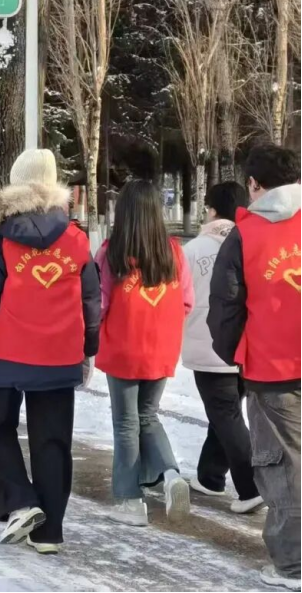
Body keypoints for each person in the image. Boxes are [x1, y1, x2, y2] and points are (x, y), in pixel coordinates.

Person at [0, 150, 100, 552]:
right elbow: (90, 301)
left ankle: (23, 500)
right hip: (59, 353)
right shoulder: (76, 239)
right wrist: (88, 348)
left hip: (4, 352)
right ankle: (49, 533)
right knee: (53, 442)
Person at [209, 145, 301, 592]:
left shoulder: (244, 236)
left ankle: (293, 564)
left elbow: (225, 308)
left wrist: (236, 354)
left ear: (253, 184)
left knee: (283, 466)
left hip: (272, 369)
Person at [96, 180, 195, 527]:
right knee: (148, 416)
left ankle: (129, 500)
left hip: (123, 348)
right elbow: (186, 301)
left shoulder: (111, 253)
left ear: (122, 212)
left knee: (126, 423)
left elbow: (98, 305)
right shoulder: (174, 252)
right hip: (162, 347)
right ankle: (170, 475)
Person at [183, 182, 263, 515]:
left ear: (212, 210)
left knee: (226, 416)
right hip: (247, 345)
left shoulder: (193, 249)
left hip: (209, 347)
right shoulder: (253, 241)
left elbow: (180, 296)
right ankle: (210, 476)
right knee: (225, 413)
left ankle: (251, 487)